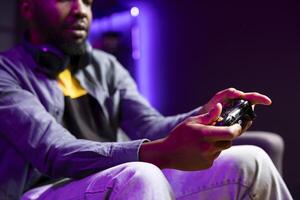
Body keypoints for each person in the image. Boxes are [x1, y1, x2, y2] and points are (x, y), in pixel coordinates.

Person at [0, 0, 292, 199]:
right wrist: (160, 153)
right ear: (27, 7)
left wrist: (205, 114)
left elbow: (150, 126)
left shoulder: (105, 66)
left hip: (119, 176)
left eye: (88, 2)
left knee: (251, 160)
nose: (80, 10)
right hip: (44, 189)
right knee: (140, 174)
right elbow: (55, 153)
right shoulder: (6, 72)